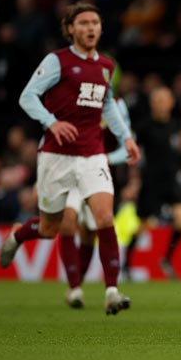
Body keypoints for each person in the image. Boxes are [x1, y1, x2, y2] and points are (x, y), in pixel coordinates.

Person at [0, 2, 141, 315]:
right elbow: (27, 96)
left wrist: (126, 137)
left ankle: (112, 291)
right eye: (84, 23)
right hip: (56, 156)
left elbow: (106, 108)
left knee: (105, 219)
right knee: (50, 229)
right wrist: (52, 122)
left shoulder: (106, 65)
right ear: (71, 29)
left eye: (95, 23)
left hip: (93, 155)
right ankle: (18, 234)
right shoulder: (57, 61)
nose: (91, 28)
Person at [61, 96, 133, 308]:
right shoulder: (70, 98)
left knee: (90, 231)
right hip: (69, 169)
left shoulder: (117, 104)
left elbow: (126, 146)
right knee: (67, 220)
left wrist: (102, 160)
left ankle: (95, 289)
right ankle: (75, 288)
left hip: (98, 174)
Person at [132, 86, 181, 280]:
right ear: (152, 103)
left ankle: (166, 259)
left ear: (171, 103)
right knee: (142, 226)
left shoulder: (175, 126)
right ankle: (125, 264)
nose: (160, 104)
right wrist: (133, 181)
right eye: (157, 100)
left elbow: (177, 154)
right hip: (151, 182)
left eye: (164, 100)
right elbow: (133, 156)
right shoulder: (143, 127)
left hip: (172, 181)